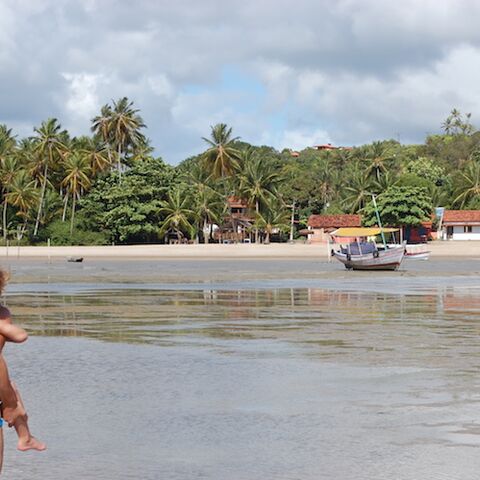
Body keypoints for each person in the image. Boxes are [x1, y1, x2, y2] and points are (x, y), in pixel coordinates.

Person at [0, 269, 46, 456]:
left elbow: (20, 335)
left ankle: (23, 432)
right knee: (13, 398)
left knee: (12, 392)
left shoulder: (2, 314)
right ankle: (22, 430)